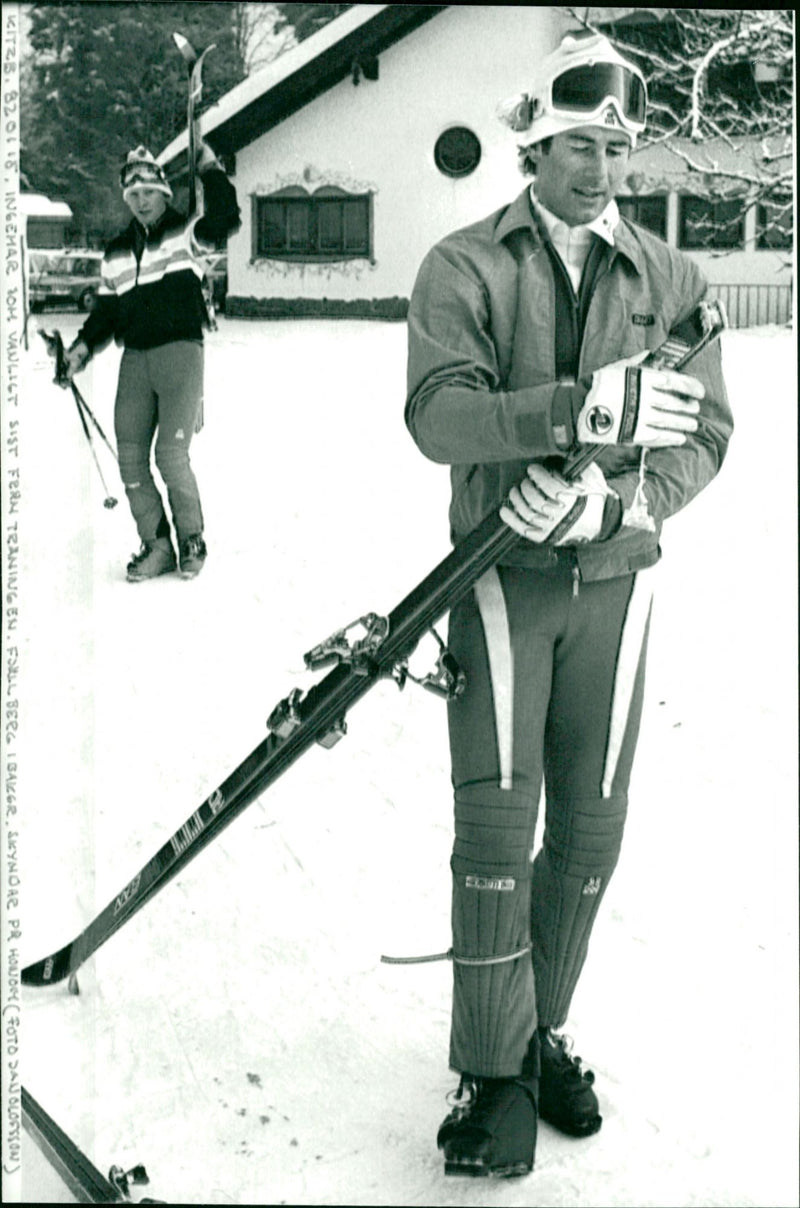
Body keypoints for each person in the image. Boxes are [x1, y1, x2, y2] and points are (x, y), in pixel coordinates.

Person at [405, 30, 733, 1178]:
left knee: (589, 828)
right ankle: (486, 1073)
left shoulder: (672, 277)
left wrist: (624, 497)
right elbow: (438, 416)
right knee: (497, 825)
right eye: (577, 145)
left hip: (612, 584)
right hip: (497, 576)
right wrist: (562, 417)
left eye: (615, 148)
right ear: (533, 146)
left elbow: (709, 431)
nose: (600, 169)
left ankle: (541, 1030)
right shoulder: (461, 263)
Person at [63, 143, 240, 581]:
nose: (141, 201)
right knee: (130, 458)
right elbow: (106, 312)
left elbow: (226, 218)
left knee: (171, 455)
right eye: (133, 194)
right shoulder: (117, 251)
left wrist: (210, 170)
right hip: (136, 358)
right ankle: (157, 544)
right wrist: (81, 349)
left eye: (148, 192)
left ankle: (191, 537)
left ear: (164, 192)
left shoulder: (186, 232)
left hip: (180, 352)